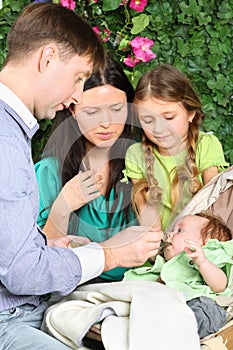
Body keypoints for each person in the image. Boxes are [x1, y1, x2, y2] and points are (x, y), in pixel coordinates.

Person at [0, 3, 163, 349]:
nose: (75, 95)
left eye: (116, 109)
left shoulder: (140, 165)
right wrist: (112, 254)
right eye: (77, 78)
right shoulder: (13, 147)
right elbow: (20, 271)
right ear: (47, 59)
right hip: (16, 315)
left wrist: (48, 248)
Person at [35, 56, 138, 282]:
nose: (106, 123)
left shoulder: (142, 163)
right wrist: (63, 207)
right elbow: (36, 262)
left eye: (117, 109)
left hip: (139, 288)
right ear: (72, 109)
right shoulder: (49, 172)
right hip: (71, 293)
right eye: (92, 112)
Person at [122, 64, 229, 231]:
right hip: (164, 244)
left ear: (191, 113)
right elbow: (149, 219)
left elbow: (215, 207)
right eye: (148, 121)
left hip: (203, 240)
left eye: (169, 117)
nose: (159, 128)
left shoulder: (205, 145)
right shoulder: (135, 155)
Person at [124, 212, 233, 339]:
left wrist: (203, 262)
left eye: (179, 230)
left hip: (194, 303)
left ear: (205, 243)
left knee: (208, 313)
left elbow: (220, 285)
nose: (169, 234)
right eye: (172, 230)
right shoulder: (163, 265)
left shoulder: (209, 257)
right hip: (162, 307)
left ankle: (174, 333)